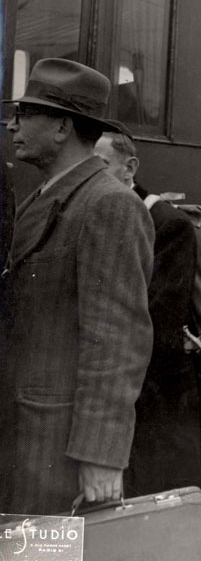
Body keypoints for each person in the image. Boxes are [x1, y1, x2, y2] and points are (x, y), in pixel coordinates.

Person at [0, 58, 154, 514]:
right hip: (26, 432)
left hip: (58, 444)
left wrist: (101, 456)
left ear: (63, 127)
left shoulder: (109, 205)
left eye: (25, 115)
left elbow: (117, 341)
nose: (12, 126)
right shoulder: (44, 197)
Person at [94, 125, 201, 495]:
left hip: (148, 389)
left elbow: (160, 318)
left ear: (130, 167)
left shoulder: (168, 224)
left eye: (101, 163)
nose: (92, 173)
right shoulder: (99, 209)